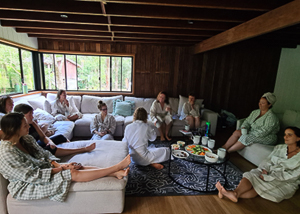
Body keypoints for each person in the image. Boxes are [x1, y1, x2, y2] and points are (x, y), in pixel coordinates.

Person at [0, 112, 130, 202]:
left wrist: (58, 165)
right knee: (71, 172)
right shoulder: (6, 152)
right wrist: (62, 169)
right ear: (14, 129)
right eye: (24, 125)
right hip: (27, 184)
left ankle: (116, 173)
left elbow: (43, 154)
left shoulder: (25, 139)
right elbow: (32, 176)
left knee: (77, 165)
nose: (28, 126)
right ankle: (116, 167)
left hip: (43, 170)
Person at [216, 126, 300, 203]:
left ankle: (231, 194)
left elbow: (294, 175)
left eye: (290, 135)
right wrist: (265, 170)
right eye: (285, 134)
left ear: (298, 138)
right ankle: (235, 193)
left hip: (285, 180)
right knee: (251, 174)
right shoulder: (279, 148)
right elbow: (268, 160)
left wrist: (270, 177)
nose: (286, 137)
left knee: (260, 186)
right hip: (270, 171)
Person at [14, 103, 95, 157]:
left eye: (32, 114)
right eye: (30, 114)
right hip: (33, 148)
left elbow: (43, 137)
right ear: (22, 116)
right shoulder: (18, 129)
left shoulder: (32, 123)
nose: (32, 116)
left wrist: (50, 142)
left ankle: (69, 149)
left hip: (38, 143)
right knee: (50, 149)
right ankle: (81, 150)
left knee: (60, 137)